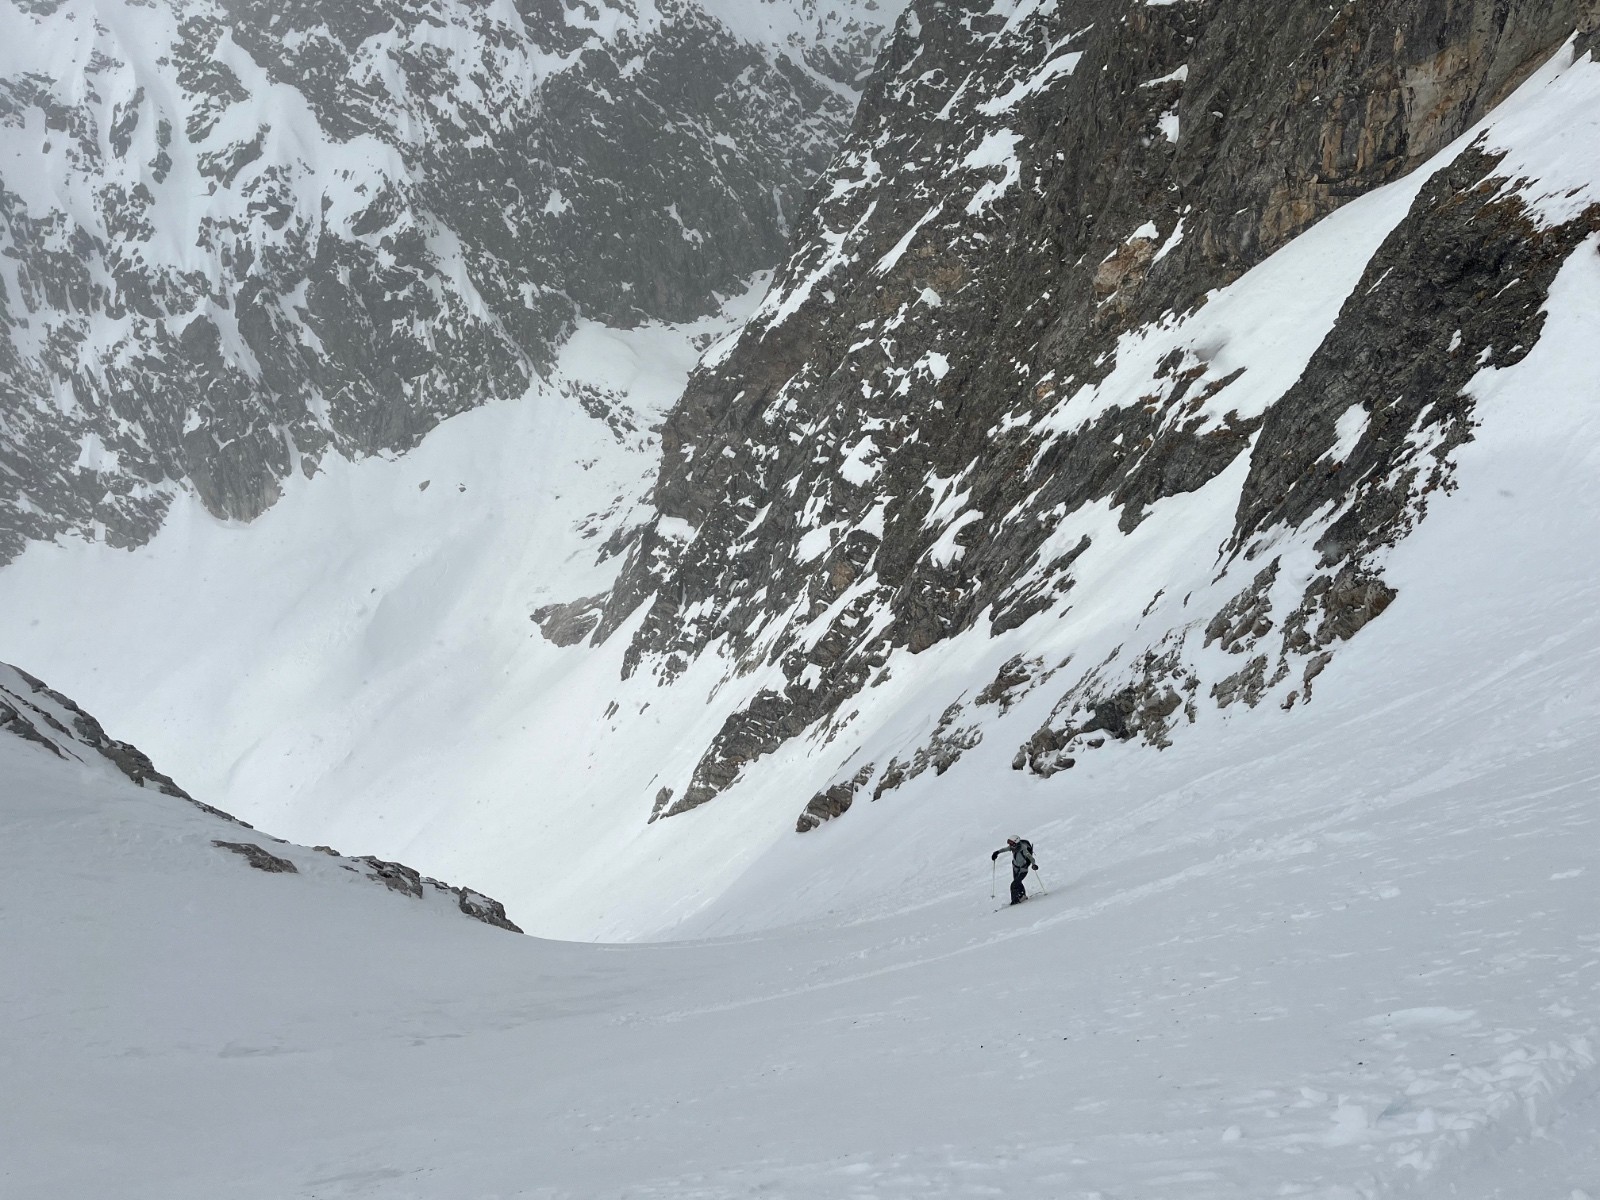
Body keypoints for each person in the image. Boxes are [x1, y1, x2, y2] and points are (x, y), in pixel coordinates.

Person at [991, 836, 1037, 905]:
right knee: (1018, 882)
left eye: (1012, 844)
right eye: (1010, 844)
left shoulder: (1023, 849)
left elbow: (1031, 858)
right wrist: (997, 852)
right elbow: (1004, 849)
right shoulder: (1013, 847)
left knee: (1014, 885)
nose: (1010, 846)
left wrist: (1034, 865)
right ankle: (1022, 896)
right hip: (1015, 868)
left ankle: (1015, 902)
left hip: (1023, 870)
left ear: (1016, 843)